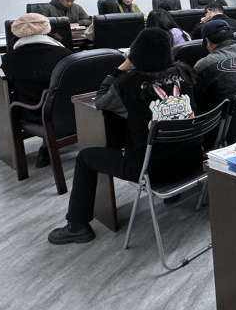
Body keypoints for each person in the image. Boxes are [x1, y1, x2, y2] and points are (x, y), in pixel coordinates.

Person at [47, 28, 200, 244]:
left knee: (84, 159)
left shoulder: (128, 85)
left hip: (150, 170)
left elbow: (100, 101)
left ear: (135, 56)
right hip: (191, 161)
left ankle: (77, 225)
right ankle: (172, 194)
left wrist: (119, 69)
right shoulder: (186, 74)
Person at [2, 13, 74, 168]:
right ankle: (46, 147)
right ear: (47, 29)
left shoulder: (9, 60)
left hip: (33, 113)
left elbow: (13, 84)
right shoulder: (66, 55)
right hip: (68, 111)